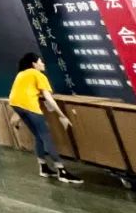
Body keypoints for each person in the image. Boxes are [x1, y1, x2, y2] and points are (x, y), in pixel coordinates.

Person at [8, 53, 82, 184]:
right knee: (46, 136)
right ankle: (62, 171)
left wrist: (17, 113)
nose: (43, 64)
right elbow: (49, 99)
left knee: (38, 135)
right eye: (40, 61)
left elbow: (18, 93)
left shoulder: (21, 74)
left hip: (16, 105)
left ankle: (43, 167)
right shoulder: (38, 75)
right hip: (29, 106)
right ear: (34, 64)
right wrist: (62, 116)